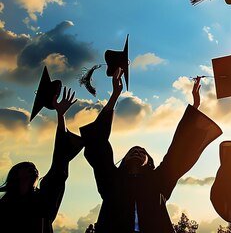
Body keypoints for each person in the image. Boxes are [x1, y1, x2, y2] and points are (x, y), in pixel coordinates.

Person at [80, 71, 222, 232]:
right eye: (133, 150)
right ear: (124, 159)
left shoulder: (159, 180)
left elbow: (179, 151)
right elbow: (98, 146)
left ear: (149, 161)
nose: (137, 152)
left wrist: (195, 106)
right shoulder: (112, 180)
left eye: (142, 152)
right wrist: (115, 95)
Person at [0, 87, 83, 232]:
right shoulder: (5, 204)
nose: (33, 168)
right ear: (16, 175)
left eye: (33, 167)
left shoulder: (44, 196)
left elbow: (59, 162)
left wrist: (60, 115)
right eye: (26, 166)